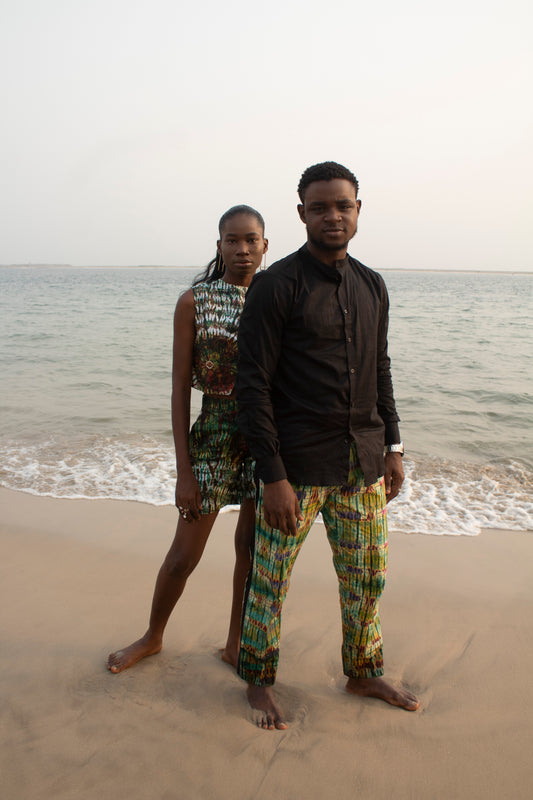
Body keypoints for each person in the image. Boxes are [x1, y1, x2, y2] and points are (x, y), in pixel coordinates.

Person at [236, 162, 420, 729]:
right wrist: (273, 477)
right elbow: (253, 386)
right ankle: (259, 681)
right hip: (296, 468)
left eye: (343, 205)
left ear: (358, 210)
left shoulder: (372, 285)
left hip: (362, 464)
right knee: (270, 579)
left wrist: (394, 444)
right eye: (320, 207)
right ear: (302, 215)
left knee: (368, 576)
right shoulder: (276, 286)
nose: (332, 215)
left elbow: (380, 369)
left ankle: (362, 671)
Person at [106, 204, 268, 673]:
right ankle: (152, 636)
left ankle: (236, 642)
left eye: (250, 240)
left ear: (264, 246)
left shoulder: (279, 295)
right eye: (232, 241)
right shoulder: (194, 301)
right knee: (183, 554)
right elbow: (179, 389)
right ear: (218, 245)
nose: (241, 249)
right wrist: (183, 471)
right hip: (214, 434)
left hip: (265, 438)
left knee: (252, 550)